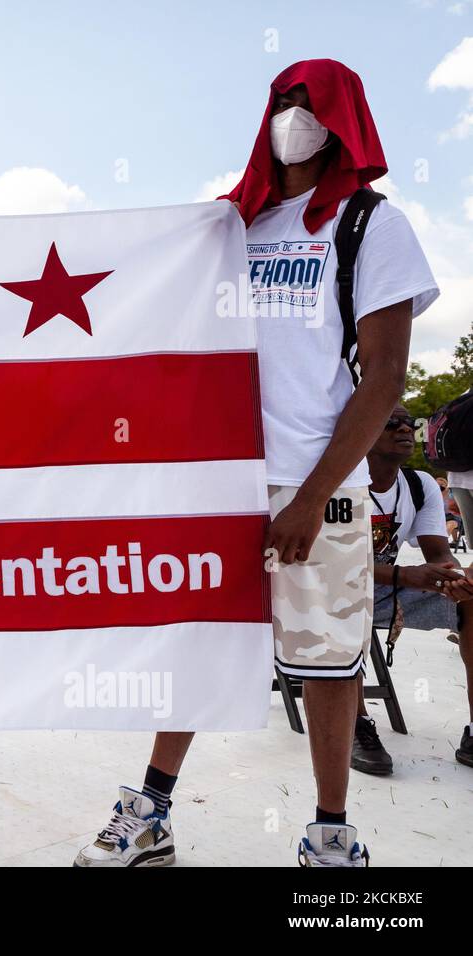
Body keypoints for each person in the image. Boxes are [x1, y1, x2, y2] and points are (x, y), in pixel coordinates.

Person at [74, 60, 439, 868]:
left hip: (319, 482)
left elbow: (385, 376)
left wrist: (310, 497)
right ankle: (151, 815)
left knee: (328, 660)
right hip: (223, 475)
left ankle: (330, 834)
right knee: (198, 643)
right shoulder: (234, 223)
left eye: (310, 104)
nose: (294, 117)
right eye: (283, 102)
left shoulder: (370, 226)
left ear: (343, 118)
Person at [350, 407, 473, 774]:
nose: (405, 428)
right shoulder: (338, 483)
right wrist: (407, 574)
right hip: (337, 591)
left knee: (471, 597)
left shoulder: (419, 485)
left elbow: (438, 553)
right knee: (344, 601)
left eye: (410, 423)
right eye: (391, 422)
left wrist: (451, 577)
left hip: (390, 590)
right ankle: (355, 724)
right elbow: (328, 567)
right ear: (363, 429)